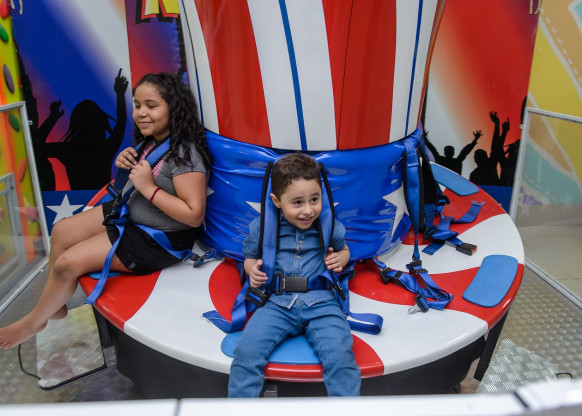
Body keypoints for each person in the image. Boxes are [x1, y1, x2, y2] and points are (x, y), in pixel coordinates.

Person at [0, 72, 211, 349]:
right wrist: (126, 162)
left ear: (174, 108)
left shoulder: (186, 154)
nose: (141, 113)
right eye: (137, 105)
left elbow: (194, 214)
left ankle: (33, 322)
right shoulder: (153, 140)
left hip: (155, 238)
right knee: (61, 230)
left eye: (151, 106)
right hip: (131, 214)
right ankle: (55, 305)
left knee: (67, 264)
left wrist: (148, 188)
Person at [228, 152, 360, 397]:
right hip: (276, 303)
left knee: (341, 357)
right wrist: (251, 270)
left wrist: (341, 258)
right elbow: (249, 257)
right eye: (297, 202)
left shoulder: (329, 224)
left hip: (322, 302)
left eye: (314, 199)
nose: (308, 210)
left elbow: (344, 250)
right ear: (277, 201)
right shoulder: (263, 226)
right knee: (246, 353)